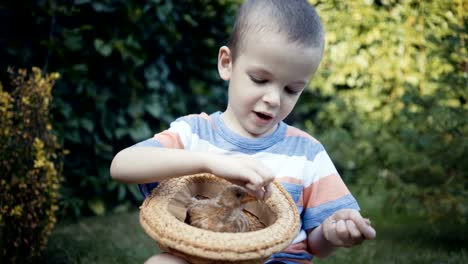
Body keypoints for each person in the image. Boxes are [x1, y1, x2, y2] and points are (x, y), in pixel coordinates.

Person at [110, 0, 376, 263]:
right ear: (227, 63)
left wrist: (332, 233)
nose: (274, 98)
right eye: (260, 79)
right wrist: (211, 163)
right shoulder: (194, 133)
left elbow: (317, 245)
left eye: (292, 89)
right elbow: (122, 166)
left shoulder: (307, 153)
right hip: (201, 259)